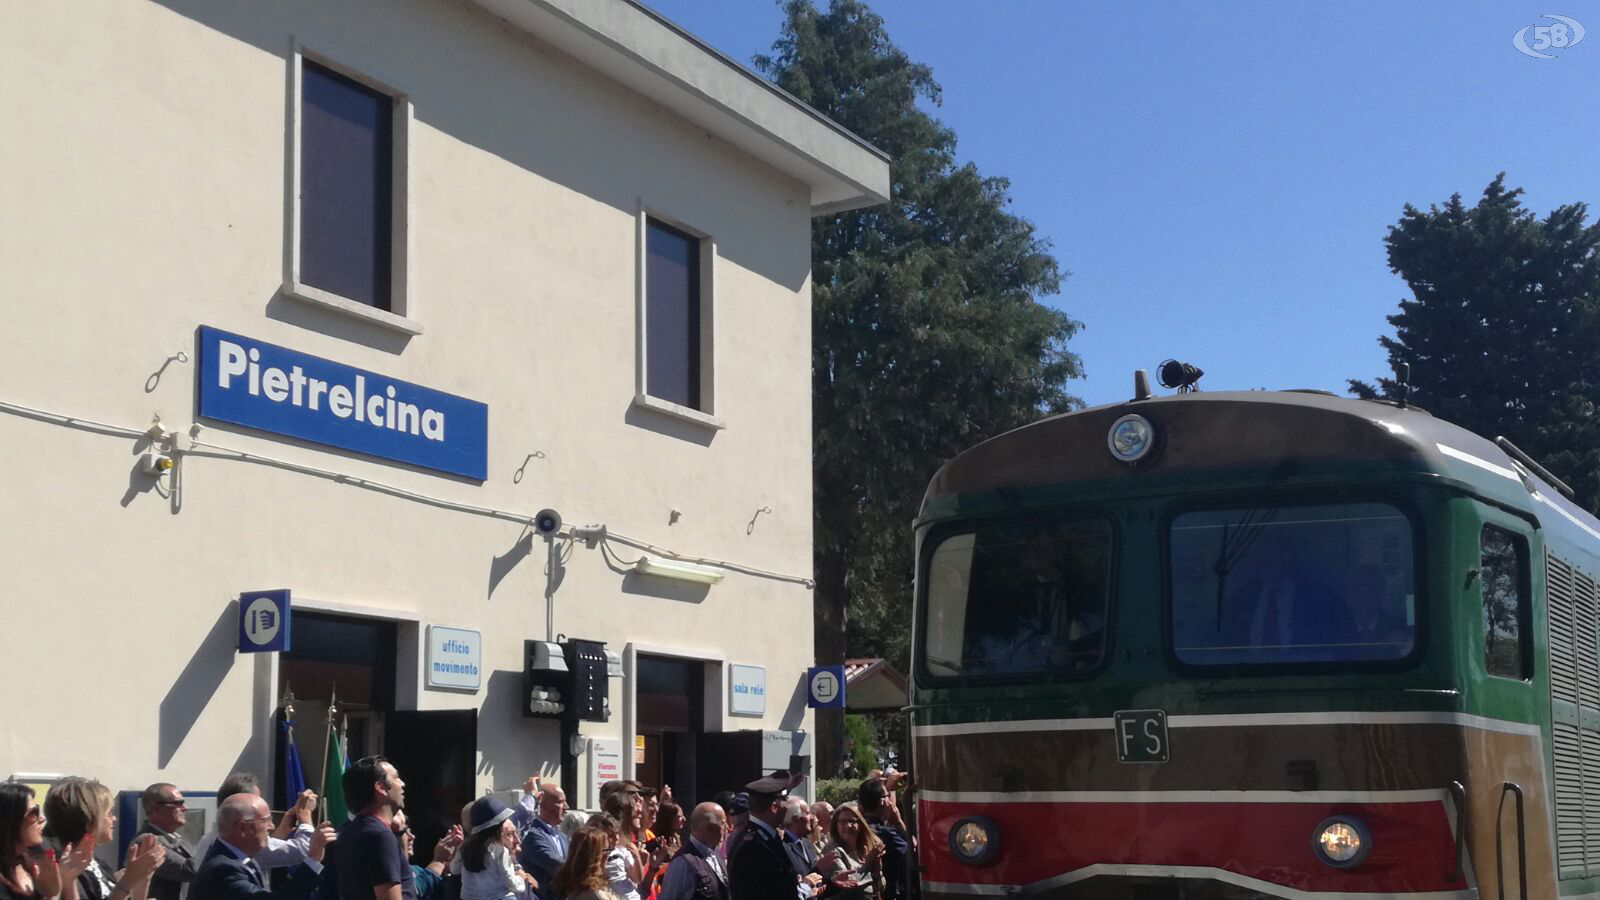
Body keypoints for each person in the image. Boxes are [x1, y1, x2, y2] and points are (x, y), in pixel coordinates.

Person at [44, 779, 167, 900]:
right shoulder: (63, 868)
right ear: (88, 819)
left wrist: (141, 878)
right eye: (109, 813)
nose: (114, 819)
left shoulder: (95, 863)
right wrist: (128, 880)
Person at [190, 795, 317, 900]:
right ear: (242, 828)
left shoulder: (239, 857)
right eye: (265, 820)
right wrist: (313, 860)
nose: (272, 826)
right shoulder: (224, 870)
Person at [193, 776, 326, 876]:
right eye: (257, 802)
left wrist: (279, 834)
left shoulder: (208, 840)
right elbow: (305, 850)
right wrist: (306, 815)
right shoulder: (241, 846)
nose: (271, 825)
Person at [332, 757, 412, 900]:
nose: (402, 784)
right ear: (380, 788)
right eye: (396, 778)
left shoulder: (347, 834)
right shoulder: (380, 836)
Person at [726, 772, 815, 900]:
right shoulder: (753, 845)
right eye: (784, 800)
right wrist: (805, 888)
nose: (787, 806)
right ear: (774, 807)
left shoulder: (766, 837)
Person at [1, 782, 94, 900]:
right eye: (33, 813)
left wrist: (67, 880)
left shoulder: (35, 867)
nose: (42, 818)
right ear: (11, 820)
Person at [454, 798, 532, 900]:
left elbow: (454, 869)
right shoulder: (500, 850)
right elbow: (510, 882)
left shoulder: (465, 847)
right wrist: (521, 877)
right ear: (497, 828)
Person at [136, 784, 197, 900]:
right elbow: (189, 870)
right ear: (155, 809)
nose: (185, 808)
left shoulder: (176, 837)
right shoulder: (146, 841)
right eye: (177, 804)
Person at [655, 804, 727, 900]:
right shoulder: (683, 863)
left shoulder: (716, 853)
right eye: (722, 823)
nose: (726, 827)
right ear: (709, 828)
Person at [510, 779, 566, 900]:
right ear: (542, 805)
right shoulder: (532, 835)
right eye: (561, 802)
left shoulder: (562, 836)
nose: (566, 807)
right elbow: (557, 865)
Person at [853, 780, 906, 900]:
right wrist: (898, 822)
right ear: (883, 802)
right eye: (888, 796)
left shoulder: (858, 829)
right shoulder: (887, 835)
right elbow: (912, 854)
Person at [816, 803, 881, 900]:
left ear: (860, 825)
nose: (847, 826)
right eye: (842, 821)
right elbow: (848, 885)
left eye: (852, 821)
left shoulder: (866, 849)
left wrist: (876, 867)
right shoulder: (833, 850)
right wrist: (868, 865)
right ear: (836, 825)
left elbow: (879, 887)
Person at [389, 813, 457, 900]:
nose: (412, 837)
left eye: (410, 831)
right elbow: (411, 892)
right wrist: (439, 861)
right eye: (403, 832)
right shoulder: (387, 876)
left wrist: (451, 866)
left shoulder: (417, 870)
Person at [547, 828, 616, 900]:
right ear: (599, 855)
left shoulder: (562, 883)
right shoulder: (596, 895)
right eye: (608, 849)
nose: (608, 855)